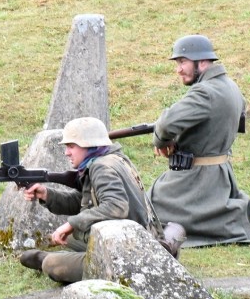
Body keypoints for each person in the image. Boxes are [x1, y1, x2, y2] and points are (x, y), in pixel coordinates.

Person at [148, 34, 250, 247]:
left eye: (182, 62)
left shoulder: (205, 92)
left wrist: (162, 141)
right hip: (220, 177)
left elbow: (166, 124)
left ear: (202, 62)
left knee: (146, 208)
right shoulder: (229, 86)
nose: (178, 69)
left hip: (196, 181)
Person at [18, 116, 170, 284]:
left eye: (71, 146)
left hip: (129, 253)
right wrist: (46, 194)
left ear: (88, 145)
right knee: (71, 236)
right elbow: (83, 201)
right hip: (134, 239)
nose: (67, 152)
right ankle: (73, 258)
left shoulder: (101, 167)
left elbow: (116, 207)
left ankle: (49, 259)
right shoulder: (111, 159)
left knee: (51, 264)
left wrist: (71, 224)